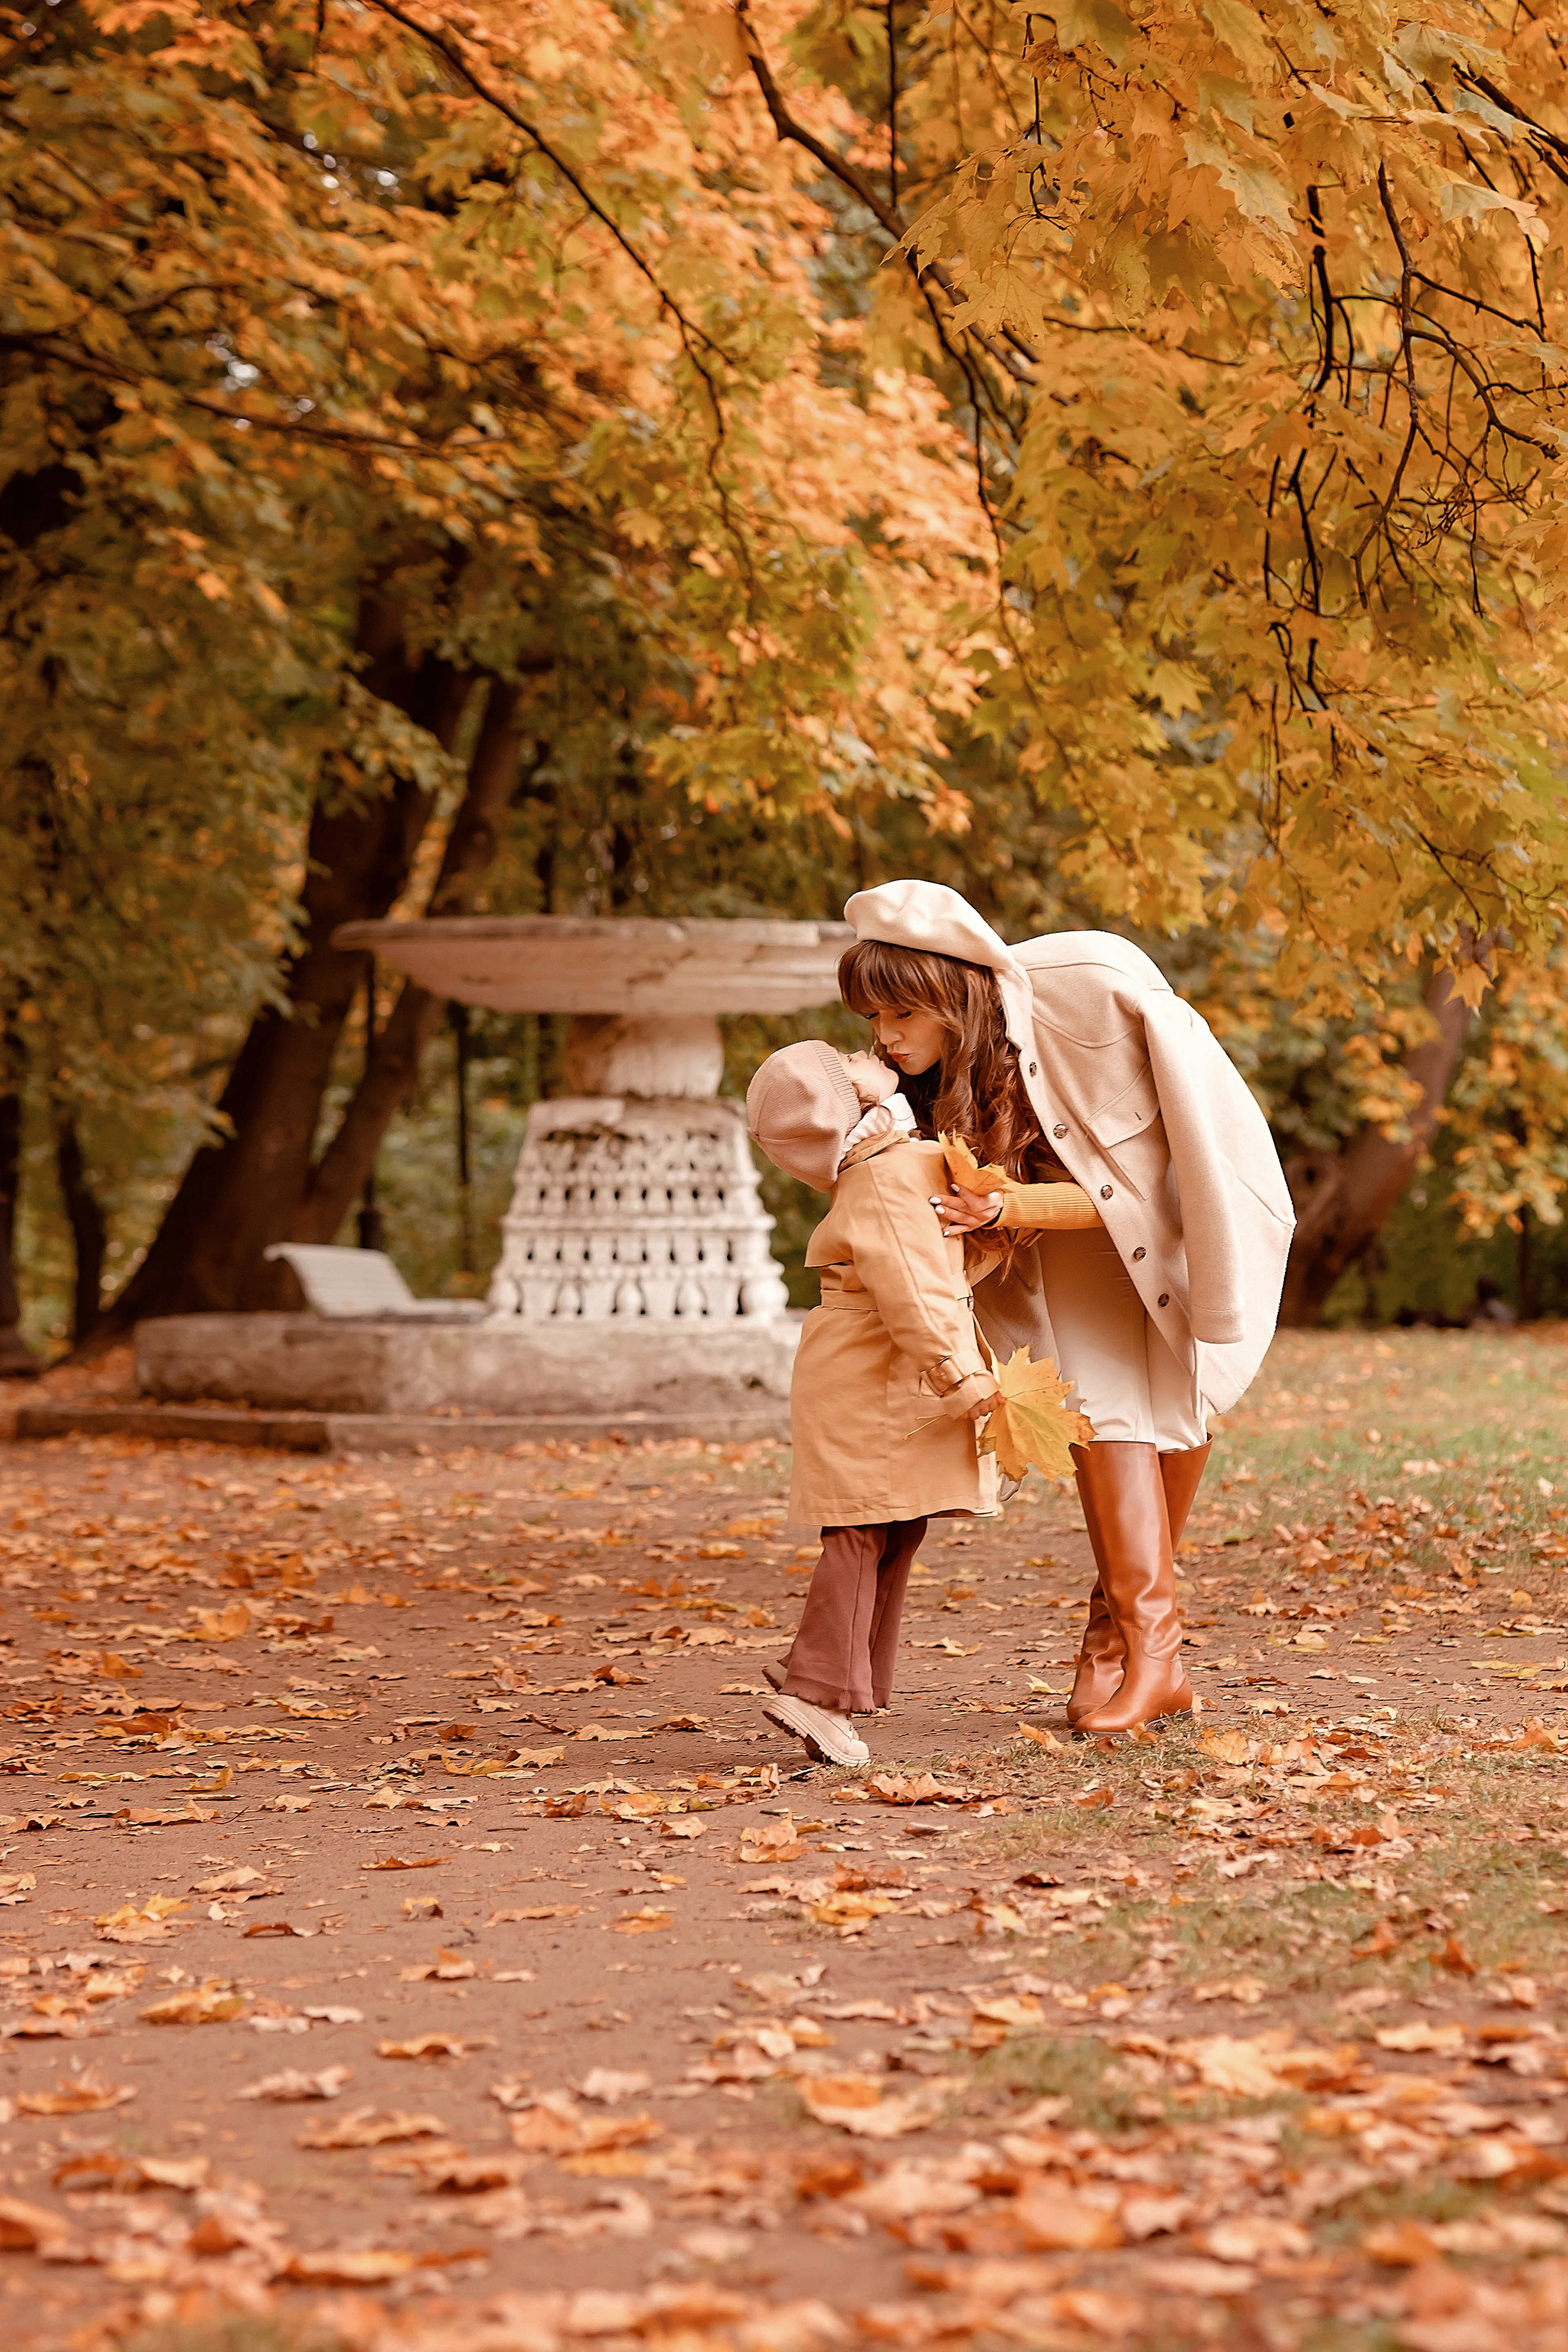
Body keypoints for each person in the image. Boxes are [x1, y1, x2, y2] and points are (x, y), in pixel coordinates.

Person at [835, 880, 1295, 1738]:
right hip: (1074, 1243)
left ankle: (1127, 1654)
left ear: (949, 994)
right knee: (1106, 1407)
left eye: (899, 1013)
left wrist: (1010, 1206)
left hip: (1188, 1207)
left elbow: (1144, 1190)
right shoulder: (938, 1080)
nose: (886, 1037)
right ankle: (1143, 1655)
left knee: (1174, 1409)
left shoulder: (1089, 987)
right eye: (873, 1021)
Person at [744, 1042, 1033, 1765]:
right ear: (849, 1100)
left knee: (893, 1522)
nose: (868, 1047)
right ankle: (816, 1691)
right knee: (864, 1525)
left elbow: (934, 1263)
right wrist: (965, 1381)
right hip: (877, 1370)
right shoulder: (887, 1170)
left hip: (876, 1364)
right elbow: (915, 1287)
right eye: (847, 1058)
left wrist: (995, 1224)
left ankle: (834, 1672)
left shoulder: (891, 1163)